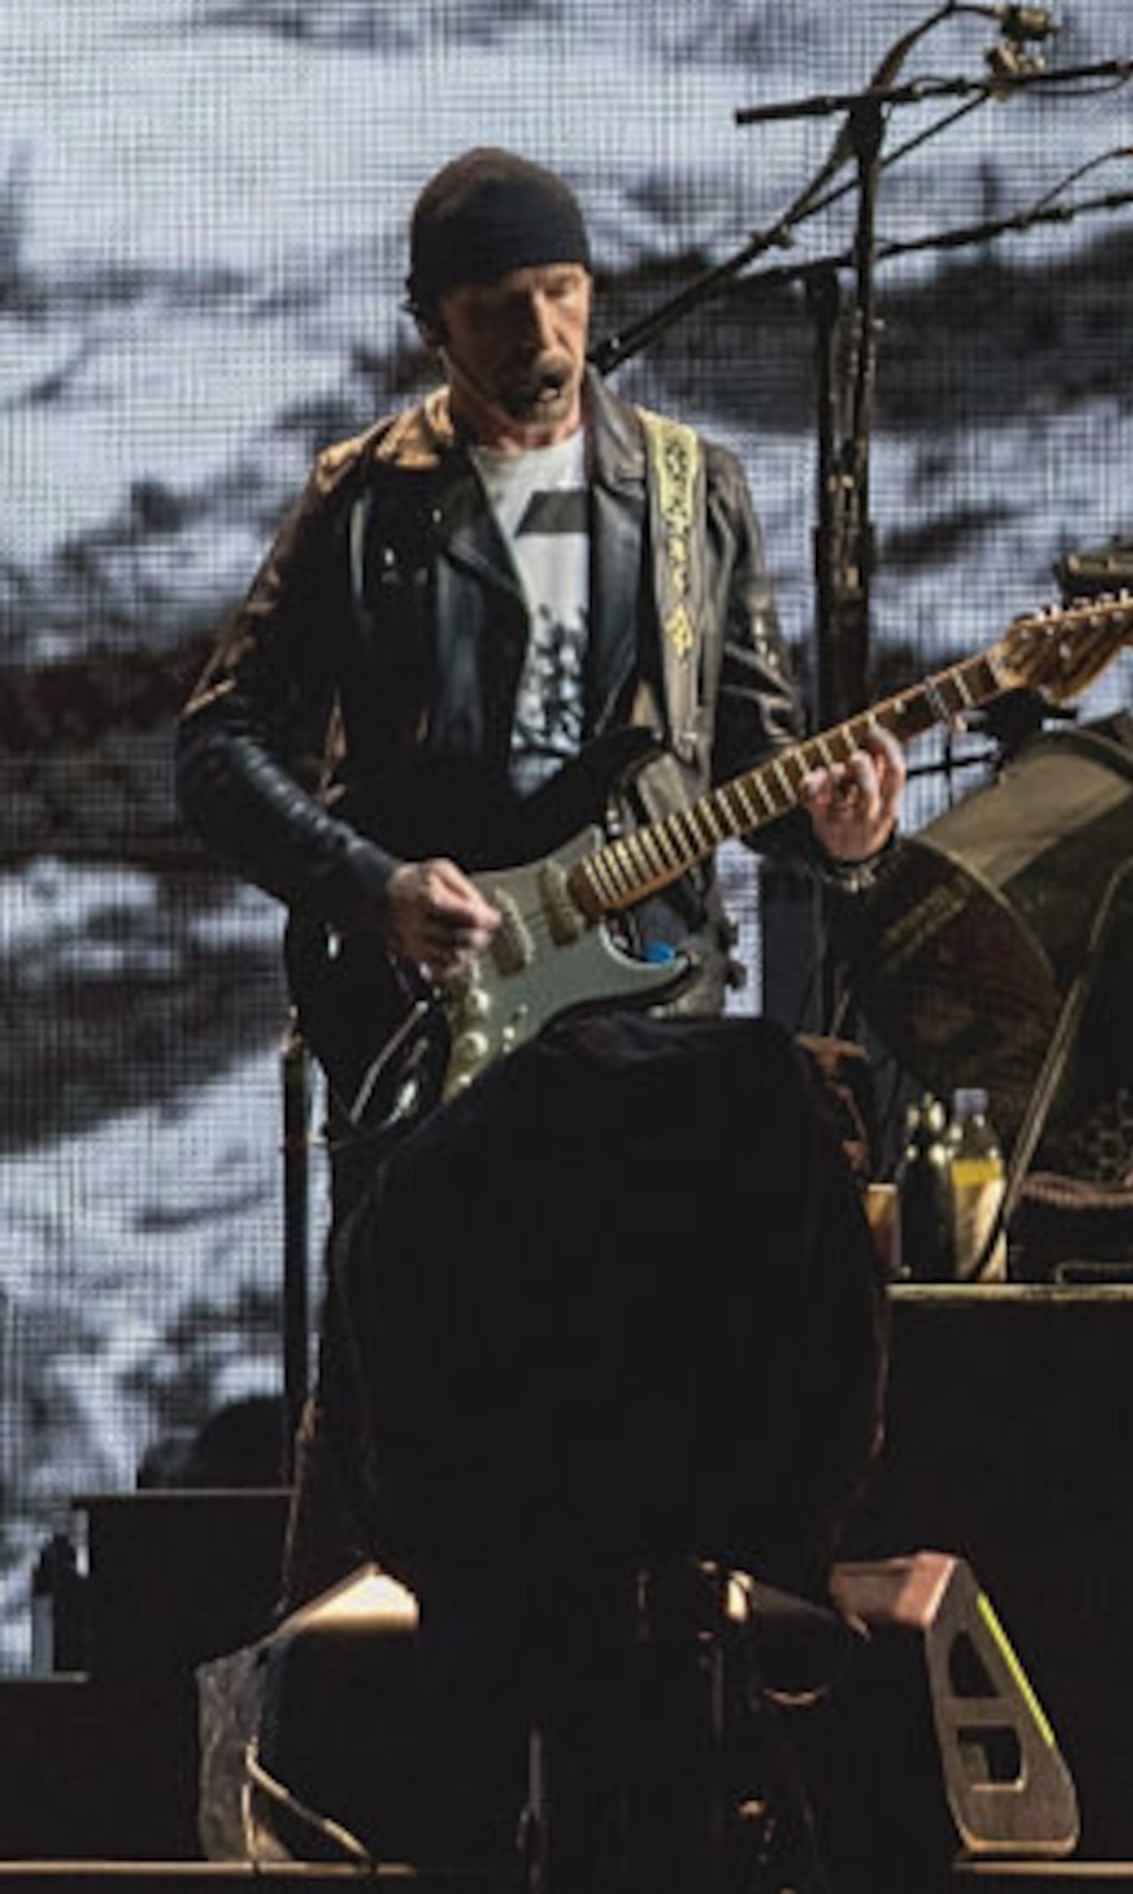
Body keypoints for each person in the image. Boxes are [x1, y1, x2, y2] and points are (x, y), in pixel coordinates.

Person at [178, 145, 902, 1606]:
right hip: (434, 1017)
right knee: (405, 1393)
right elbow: (217, 751)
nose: (545, 337)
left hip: (647, 1027)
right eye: (502, 308)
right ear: (432, 324)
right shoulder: (366, 500)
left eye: (564, 294)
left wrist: (842, 836)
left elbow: (749, 758)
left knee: (659, 1379)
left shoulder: (691, 492)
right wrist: (368, 883)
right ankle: (325, 1739)